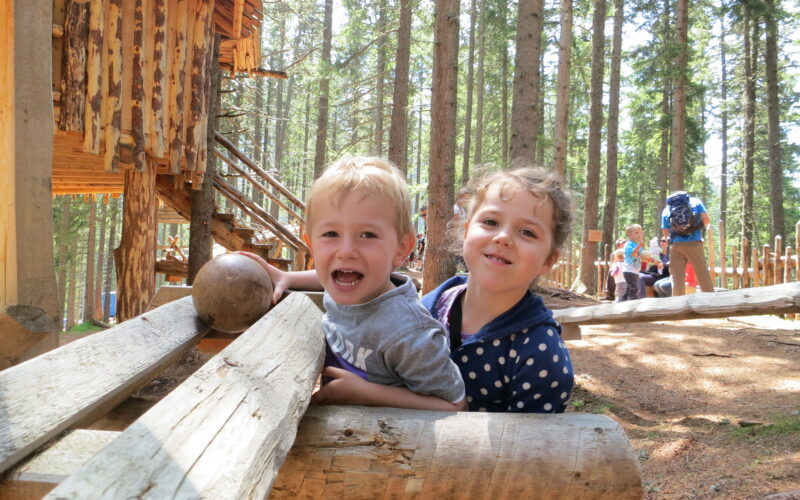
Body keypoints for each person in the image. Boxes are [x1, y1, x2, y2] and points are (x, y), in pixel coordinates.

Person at [265, 165, 576, 413]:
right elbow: (363, 276)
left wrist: (368, 394)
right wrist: (289, 278)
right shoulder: (441, 300)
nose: (503, 238)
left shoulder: (541, 353)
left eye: (526, 232)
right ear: (467, 232)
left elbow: (533, 453)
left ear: (549, 259)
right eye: (491, 222)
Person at [243, 157, 466, 411]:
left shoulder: (409, 334)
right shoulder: (351, 282)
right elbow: (328, 277)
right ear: (311, 243)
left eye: (367, 235)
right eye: (331, 234)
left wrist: (366, 393)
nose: (346, 251)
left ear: (401, 248)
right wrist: (288, 278)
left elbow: (455, 405)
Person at [661, 191, 714, 296]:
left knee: (677, 278)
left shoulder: (667, 209)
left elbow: (666, 232)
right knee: (702, 273)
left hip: (676, 245)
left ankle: (677, 305)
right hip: (694, 243)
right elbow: (706, 220)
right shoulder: (696, 202)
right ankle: (710, 300)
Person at [622, 224, 644, 301]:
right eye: (637, 233)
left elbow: (641, 255)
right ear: (629, 234)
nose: (639, 235)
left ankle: (622, 301)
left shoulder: (638, 245)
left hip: (635, 270)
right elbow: (633, 253)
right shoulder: (628, 244)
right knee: (634, 288)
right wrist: (639, 246)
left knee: (630, 288)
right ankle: (632, 304)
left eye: (640, 233)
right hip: (629, 270)